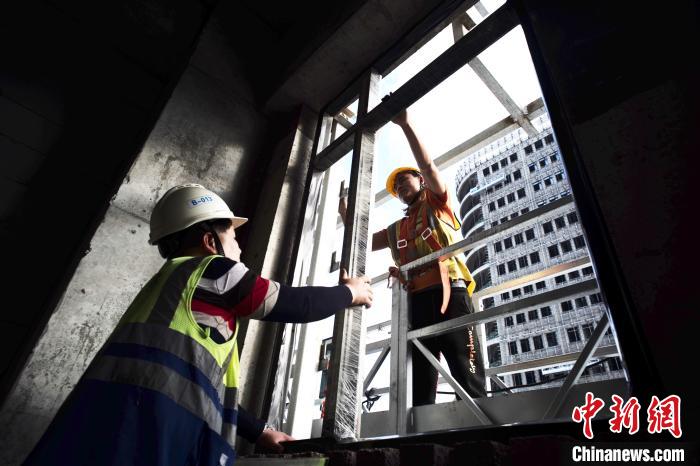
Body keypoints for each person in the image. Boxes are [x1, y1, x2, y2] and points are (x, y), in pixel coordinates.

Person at [24, 183, 373, 466]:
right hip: (150, 433)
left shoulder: (170, 288)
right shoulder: (211, 270)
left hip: (102, 429)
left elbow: (191, 382)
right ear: (210, 241)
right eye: (233, 238)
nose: (238, 247)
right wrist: (348, 292)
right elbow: (291, 303)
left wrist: (260, 431)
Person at [372, 108, 486, 406]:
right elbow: (363, 243)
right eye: (395, 188)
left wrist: (406, 125)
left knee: (465, 366)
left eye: (404, 181)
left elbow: (428, 164)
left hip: (451, 292)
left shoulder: (436, 202)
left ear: (420, 181)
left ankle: (482, 427)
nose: (399, 188)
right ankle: (422, 436)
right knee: (421, 378)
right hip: (417, 301)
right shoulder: (397, 228)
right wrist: (345, 211)